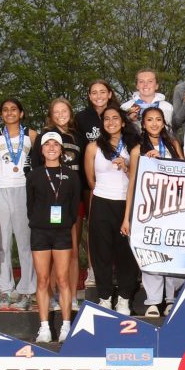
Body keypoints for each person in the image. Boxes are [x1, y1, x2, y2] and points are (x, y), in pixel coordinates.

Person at [122, 107, 185, 317]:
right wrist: (127, 217)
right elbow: (131, 185)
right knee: (150, 252)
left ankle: (171, 298)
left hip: (173, 207)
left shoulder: (174, 145)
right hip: (147, 208)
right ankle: (153, 300)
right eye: (150, 120)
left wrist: (163, 162)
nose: (155, 124)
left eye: (158, 119)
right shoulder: (137, 150)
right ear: (143, 124)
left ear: (164, 122)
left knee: (172, 251)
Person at [29, 98, 84, 314]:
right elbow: (35, 169)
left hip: (70, 199)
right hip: (47, 204)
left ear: (70, 112)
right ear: (51, 115)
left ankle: (70, 294)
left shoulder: (76, 137)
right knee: (49, 255)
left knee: (70, 250)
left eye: (65, 110)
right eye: (56, 111)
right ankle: (50, 296)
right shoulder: (44, 136)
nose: (61, 114)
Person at [85, 105, 140, 315]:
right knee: (101, 254)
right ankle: (105, 297)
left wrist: (126, 167)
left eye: (115, 118)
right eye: (106, 119)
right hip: (101, 202)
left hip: (126, 204)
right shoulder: (93, 147)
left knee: (126, 253)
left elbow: (137, 178)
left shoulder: (133, 147)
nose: (111, 122)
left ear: (123, 122)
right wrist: (102, 192)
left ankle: (124, 299)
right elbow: (90, 179)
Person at [27, 131, 81, 343]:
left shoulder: (71, 175)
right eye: (47, 144)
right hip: (40, 232)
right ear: (41, 150)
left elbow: (74, 205)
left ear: (61, 149)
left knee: (62, 279)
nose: (51, 148)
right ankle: (44, 327)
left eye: (55, 144)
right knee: (42, 280)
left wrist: (64, 222)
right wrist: (41, 220)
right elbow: (30, 206)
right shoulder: (33, 175)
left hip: (62, 233)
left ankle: (66, 326)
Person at [0, 98, 37, 311]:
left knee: (25, 243)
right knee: (2, 244)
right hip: (0, 190)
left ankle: (26, 291)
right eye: (5, 110)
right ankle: (5, 292)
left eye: (14, 109)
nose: (9, 113)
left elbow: (36, 165)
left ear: (21, 113)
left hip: (23, 189)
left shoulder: (32, 135)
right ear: (1, 114)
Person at [75, 80, 122, 288]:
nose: (99, 95)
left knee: (119, 229)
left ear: (110, 94)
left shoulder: (120, 113)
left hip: (120, 182)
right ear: (89, 95)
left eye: (103, 91)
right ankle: (94, 270)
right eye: (94, 92)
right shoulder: (82, 117)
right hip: (92, 181)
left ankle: (120, 268)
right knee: (94, 228)